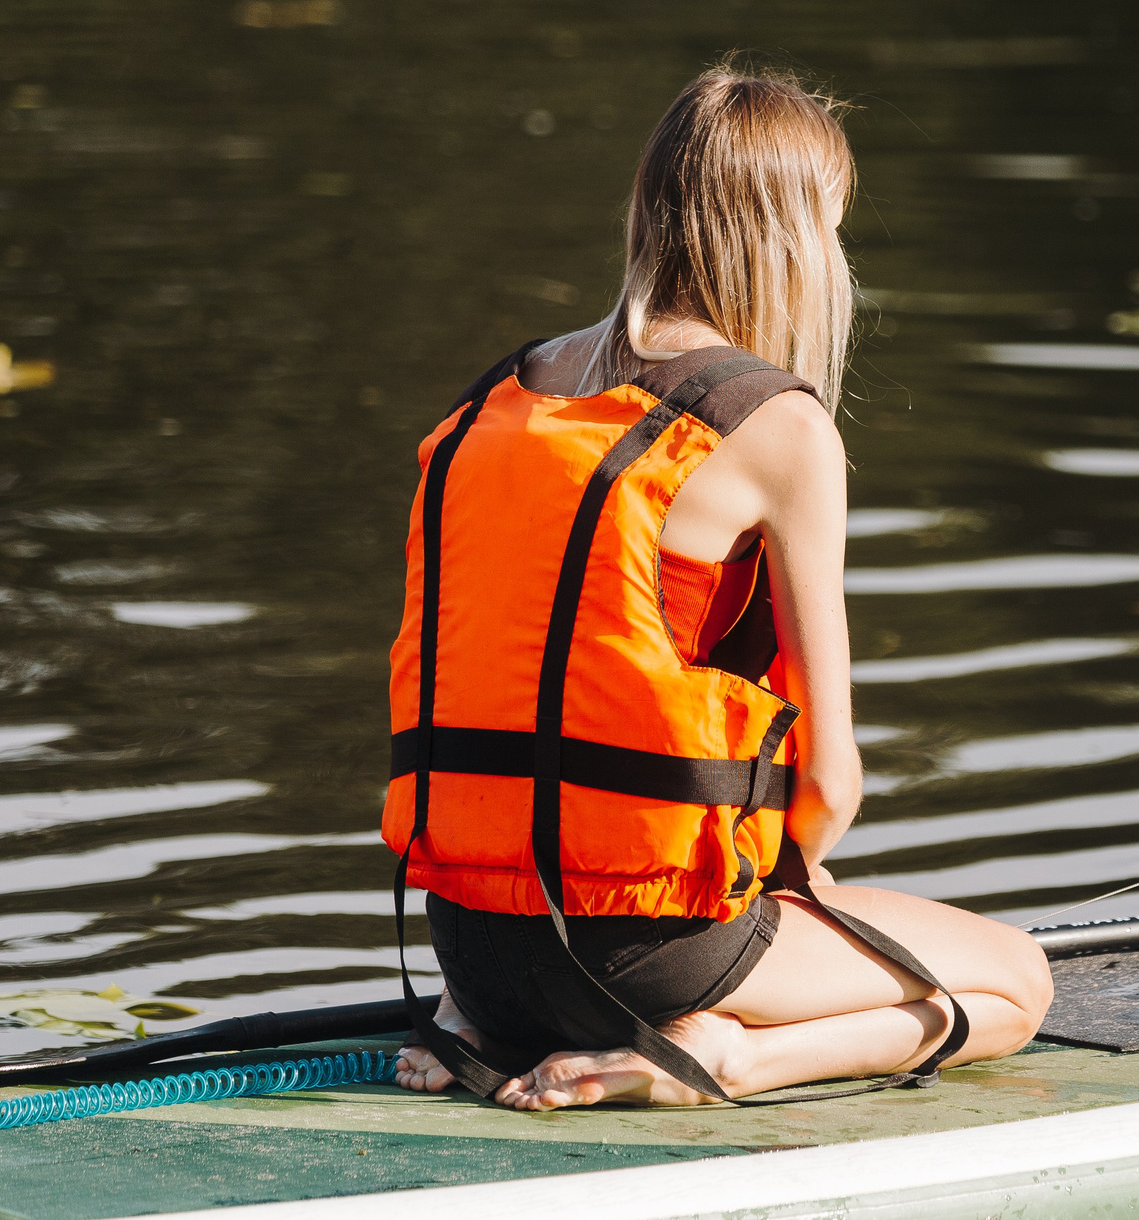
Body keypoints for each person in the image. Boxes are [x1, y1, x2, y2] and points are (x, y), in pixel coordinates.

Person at [385, 64, 1051, 1110]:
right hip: (649, 958)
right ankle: (720, 1059)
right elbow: (829, 781)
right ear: (799, 239)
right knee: (1015, 981)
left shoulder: (499, 400)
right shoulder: (777, 426)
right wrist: (798, 885)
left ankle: (497, 1027)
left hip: (470, 952)